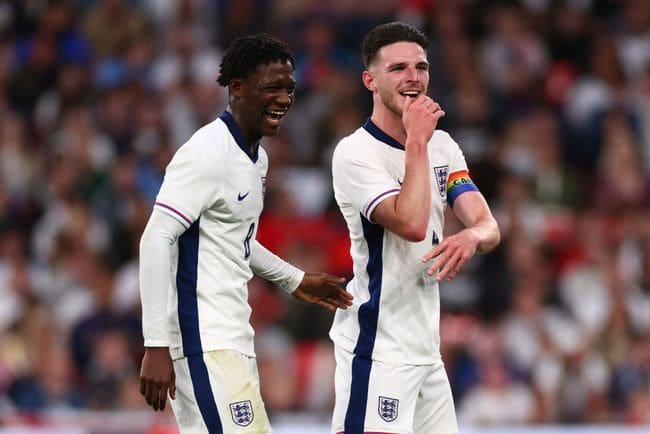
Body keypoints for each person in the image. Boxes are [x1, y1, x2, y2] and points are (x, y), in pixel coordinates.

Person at [138, 33, 353, 433]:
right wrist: (155, 343)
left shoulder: (256, 159)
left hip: (232, 338)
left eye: (290, 88)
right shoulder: (207, 152)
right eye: (273, 87)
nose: (285, 99)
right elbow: (157, 237)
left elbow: (236, 240)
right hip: (203, 340)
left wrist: (294, 279)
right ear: (237, 88)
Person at [329, 22, 500, 434]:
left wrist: (471, 235)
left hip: (426, 352)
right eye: (399, 68)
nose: (413, 77)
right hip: (376, 348)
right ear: (370, 80)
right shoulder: (355, 153)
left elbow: (488, 225)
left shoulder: (444, 146)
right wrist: (417, 144)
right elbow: (410, 222)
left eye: (421, 67)